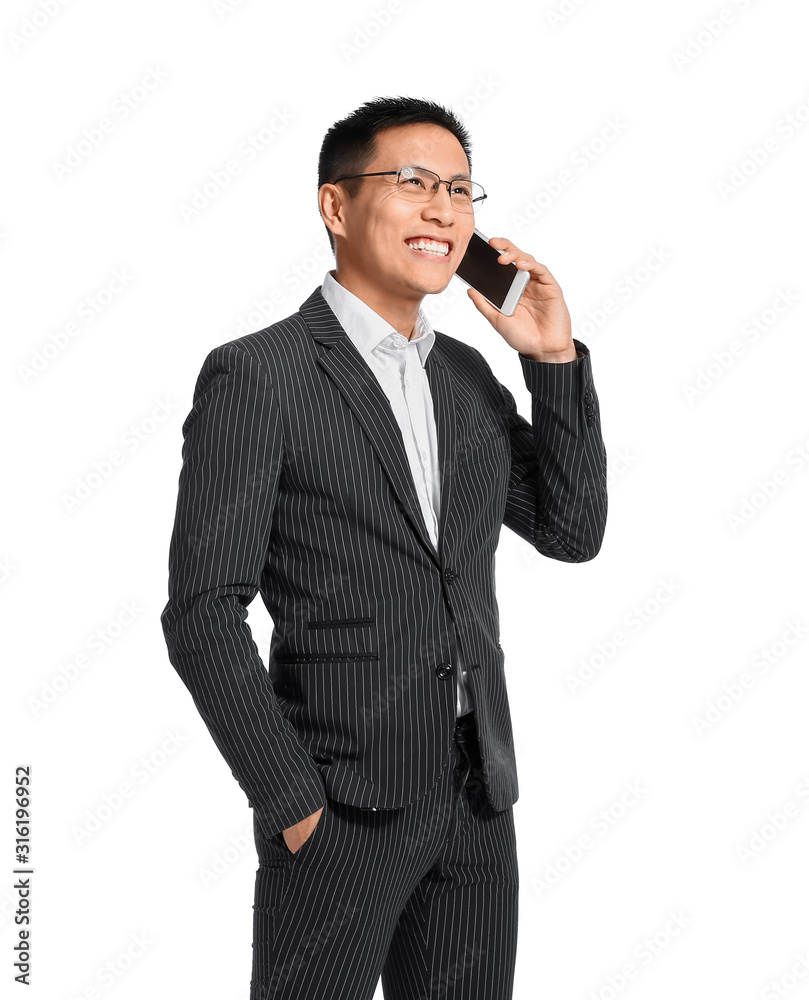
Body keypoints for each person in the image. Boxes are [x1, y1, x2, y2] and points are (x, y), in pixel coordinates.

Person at [160, 95, 608, 1000]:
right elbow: (203, 612)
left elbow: (570, 530)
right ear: (335, 206)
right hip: (339, 809)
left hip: (478, 801)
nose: (442, 209)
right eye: (411, 182)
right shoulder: (260, 374)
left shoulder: (466, 376)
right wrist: (292, 805)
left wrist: (551, 360)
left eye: (457, 188)